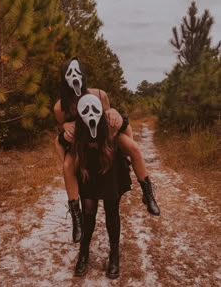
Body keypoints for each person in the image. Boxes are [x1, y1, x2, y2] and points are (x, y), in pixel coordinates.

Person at [54, 57, 160, 243]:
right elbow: (63, 131)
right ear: (64, 78)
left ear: (83, 75)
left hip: (104, 137)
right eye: (70, 73)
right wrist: (66, 127)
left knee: (134, 148)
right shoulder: (60, 107)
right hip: (80, 142)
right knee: (67, 166)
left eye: (77, 72)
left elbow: (110, 119)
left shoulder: (99, 94)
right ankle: (76, 216)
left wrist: (115, 116)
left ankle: (148, 193)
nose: (75, 76)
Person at [72, 94, 132, 278]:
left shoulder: (110, 120)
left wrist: (128, 154)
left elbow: (128, 131)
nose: (90, 111)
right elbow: (63, 142)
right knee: (88, 214)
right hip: (88, 173)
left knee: (111, 213)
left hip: (110, 171)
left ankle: (114, 255)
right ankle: (83, 253)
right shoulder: (78, 123)